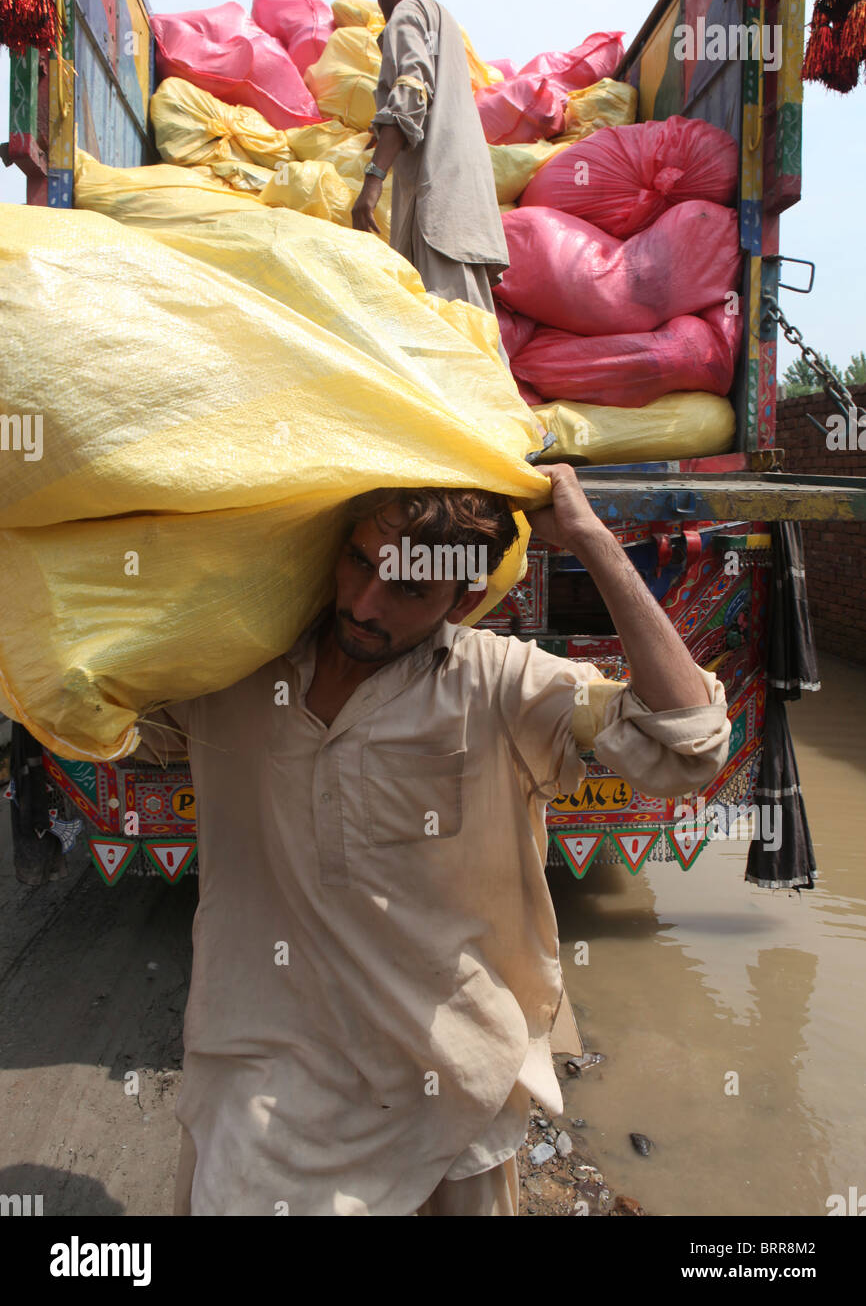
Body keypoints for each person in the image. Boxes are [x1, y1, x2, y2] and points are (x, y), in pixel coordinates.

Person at [135, 465, 731, 1216]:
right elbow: (82, 685)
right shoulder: (232, 672)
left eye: (410, 589)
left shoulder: (500, 686)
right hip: (260, 1075)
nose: (363, 605)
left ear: (466, 598)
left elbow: (688, 747)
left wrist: (592, 540)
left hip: (450, 1085)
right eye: (359, 562)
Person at [351, 0, 509, 320]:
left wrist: (373, 180)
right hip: (466, 215)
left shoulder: (407, 12)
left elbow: (412, 89)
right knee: (474, 342)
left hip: (438, 213)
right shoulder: (446, 23)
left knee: (451, 345)